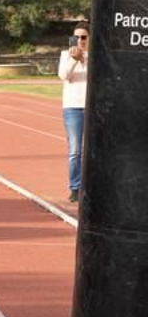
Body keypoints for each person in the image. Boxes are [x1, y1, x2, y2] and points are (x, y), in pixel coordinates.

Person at [59, 22, 89, 203]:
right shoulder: (65, 55)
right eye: (76, 37)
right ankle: (75, 188)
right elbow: (64, 76)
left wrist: (84, 60)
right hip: (72, 108)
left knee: (94, 150)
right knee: (75, 150)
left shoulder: (97, 56)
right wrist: (74, 60)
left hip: (93, 107)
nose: (80, 40)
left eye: (83, 37)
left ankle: (92, 186)